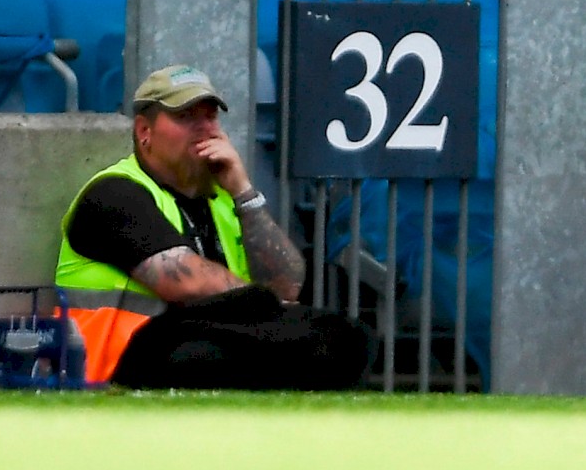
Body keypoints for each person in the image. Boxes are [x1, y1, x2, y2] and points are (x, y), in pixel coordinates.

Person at [57, 64, 370, 389]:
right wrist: (266, 305)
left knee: (346, 336)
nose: (204, 128)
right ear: (144, 131)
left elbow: (288, 285)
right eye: (186, 117)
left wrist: (244, 191)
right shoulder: (113, 194)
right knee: (210, 351)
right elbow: (188, 283)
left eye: (210, 117)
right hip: (123, 357)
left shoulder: (222, 198)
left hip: (209, 333)